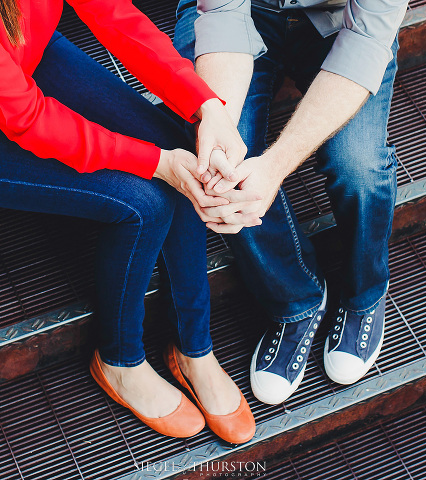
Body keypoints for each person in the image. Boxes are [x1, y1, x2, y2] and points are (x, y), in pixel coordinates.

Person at [0, 0, 257, 443]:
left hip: (22, 49)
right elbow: (27, 119)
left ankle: (193, 348)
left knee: (180, 144)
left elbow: (116, 16)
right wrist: (154, 163)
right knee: (143, 202)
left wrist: (207, 106)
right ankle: (120, 361)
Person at [174, 0, 408, 404]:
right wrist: (221, 134)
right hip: (240, 9)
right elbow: (223, 14)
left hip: (342, 22)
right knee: (219, 165)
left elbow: (366, 40)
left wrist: (276, 166)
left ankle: (365, 294)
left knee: (360, 166)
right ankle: (296, 298)